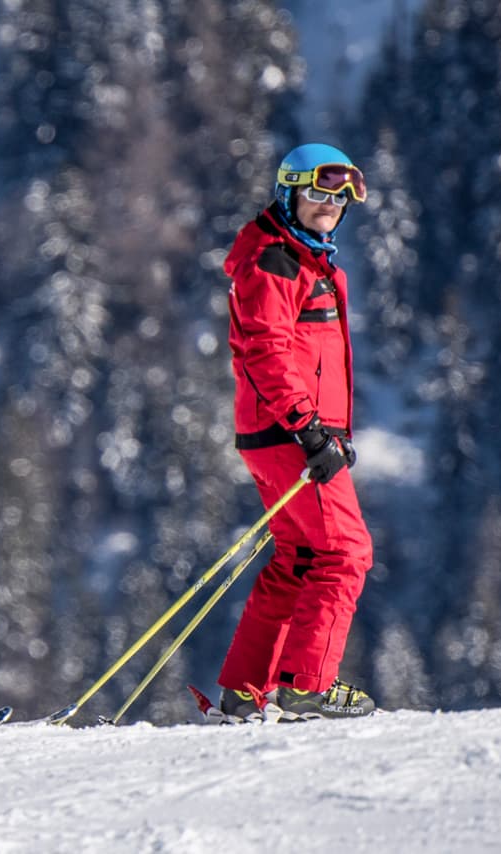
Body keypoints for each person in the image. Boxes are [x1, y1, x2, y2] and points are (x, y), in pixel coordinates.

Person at [216, 143, 377, 722]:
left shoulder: (307, 261)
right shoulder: (276, 261)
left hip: (284, 430)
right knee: (346, 552)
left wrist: (330, 428)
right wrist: (311, 429)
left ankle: (244, 690)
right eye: (315, 193)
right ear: (288, 193)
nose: (327, 206)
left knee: (301, 557)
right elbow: (266, 352)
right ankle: (309, 685)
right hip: (289, 431)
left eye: (339, 197)